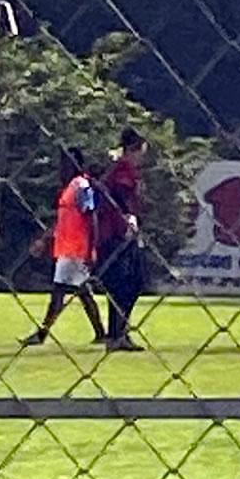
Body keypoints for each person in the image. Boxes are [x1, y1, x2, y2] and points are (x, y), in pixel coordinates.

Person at [22, 147, 107, 346]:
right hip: (69, 247)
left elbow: (91, 216)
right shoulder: (71, 187)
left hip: (77, 249)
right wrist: (44, 239)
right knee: (83, 292)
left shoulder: (81, 186)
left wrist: (90, 249)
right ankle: (101, 333)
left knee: (59, 291)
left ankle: (42, 334)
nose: (62, 167)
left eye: (67, 163)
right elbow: (61, 221)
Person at [96, 128, 147, 352]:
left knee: (128, 283)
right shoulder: (123, 169)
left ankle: (118, 332)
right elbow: (120, 194)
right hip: (118, 234)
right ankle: (117, 333)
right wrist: (129, 216)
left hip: (118, 233)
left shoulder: (120, 168)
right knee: (128, 283)